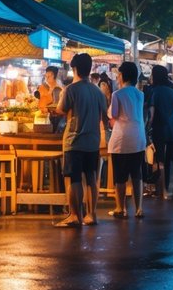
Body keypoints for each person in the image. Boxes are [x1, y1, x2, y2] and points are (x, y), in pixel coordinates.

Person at [56, 53, 108, 227]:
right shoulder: (98, 91)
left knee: (75, 179)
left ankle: (74, 216)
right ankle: (92, 215)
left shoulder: (71, 89)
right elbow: (104, 116)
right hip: (93, 140)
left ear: (75, 68)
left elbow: (61, 110)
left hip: (74, 140)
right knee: (91, 178)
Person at [108, 61, 147, 219]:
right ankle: (138, 208)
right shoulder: (140, 94)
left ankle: (120, 208)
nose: (117, 77)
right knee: (137, 175)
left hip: (121, 139)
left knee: (120, 176)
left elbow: (115, 114)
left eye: (118, 74)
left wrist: (109, 112)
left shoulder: (117, 94)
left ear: (122, 75)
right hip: (138, 137)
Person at [147, 65, 173, 200]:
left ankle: (162, 191)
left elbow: (151, 115)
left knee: (160, 160)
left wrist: (147, 129)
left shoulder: (154, 92)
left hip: (160, 128)